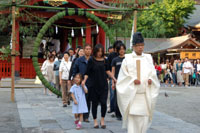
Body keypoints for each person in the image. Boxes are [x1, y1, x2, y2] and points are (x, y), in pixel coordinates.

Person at [116, 32, 160, 133]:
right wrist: (132, 80)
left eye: (142, 45)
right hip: (133, 95)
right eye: (138, 45)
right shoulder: (127, 59)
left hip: (145, 95)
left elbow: (152, 73)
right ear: (133, 46)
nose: (140, 48)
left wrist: (151, 79)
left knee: (144, 120)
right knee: (133, 122)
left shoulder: (148, 58)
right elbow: (123, 77)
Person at [82, 44, 116, 129]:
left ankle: (102, 119)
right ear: (95, 51)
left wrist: (114, 78)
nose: (100, 53)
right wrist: (84, 81)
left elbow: (108, 71)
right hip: (93, 85)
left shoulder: (105, 60)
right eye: (98, 51)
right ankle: (95, 121)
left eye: (101, 51)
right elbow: (87, 72)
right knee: (94, 104)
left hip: (103, 85)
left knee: (104, 103)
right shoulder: (91, 60)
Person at [72, 44, 92, 122]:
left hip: (90, 82)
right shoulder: (79, 60)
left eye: (89, 49)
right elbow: (74, 71)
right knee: (80, 99)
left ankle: (86, 116)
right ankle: (79, 114)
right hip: (80, 83)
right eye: (86, 49)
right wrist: (75, 80)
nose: (88, 50)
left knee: (88, 100)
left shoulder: (92, 60)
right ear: (83, 50)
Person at [111, 43, 126, 121]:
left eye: (123, 49)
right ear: (117, 50)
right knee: (117, 98)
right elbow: (112, 71)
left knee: (125, 97)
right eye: (120, 49)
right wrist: (113, 82)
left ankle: (125, 113)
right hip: (117, 80)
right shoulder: (115, 60)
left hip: (126, 81)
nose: (122, 51)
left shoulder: (127, 59)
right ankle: (118, 114)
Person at [107, 40, 122, 115]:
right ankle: (112, 109)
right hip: (113, 77)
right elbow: (108, 67)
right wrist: (109, 76)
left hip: (122, 79)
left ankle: (120, 110)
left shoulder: (125, 57)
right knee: (113, 94)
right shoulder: (111, 55)